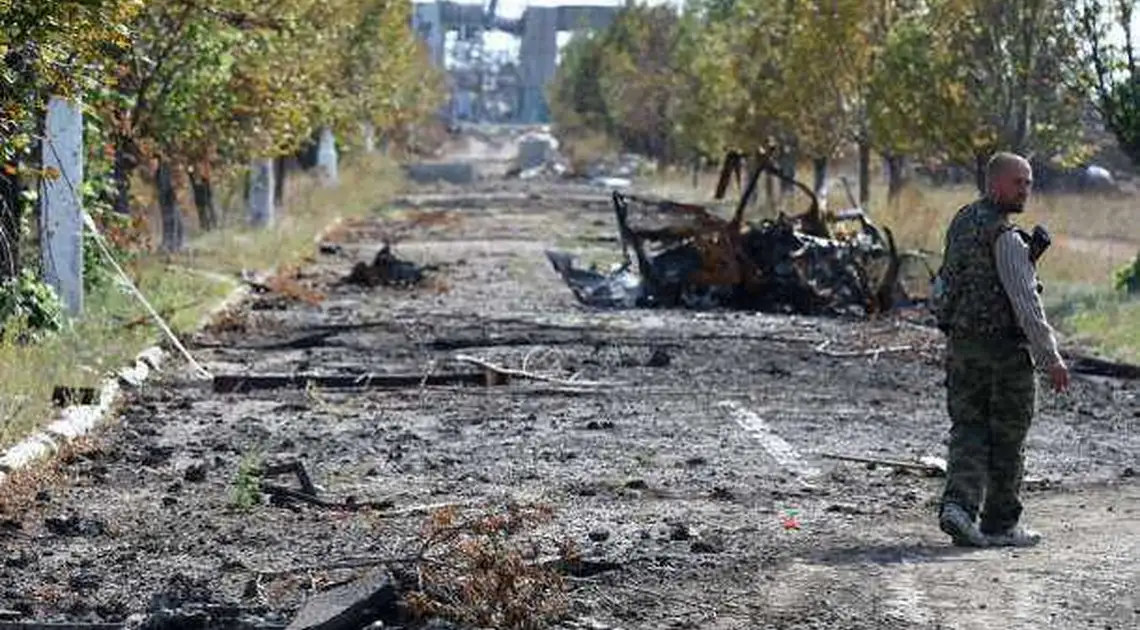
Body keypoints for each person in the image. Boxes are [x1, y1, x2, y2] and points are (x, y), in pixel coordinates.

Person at [931, 151, 1071, 548]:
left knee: (969, 428)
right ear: (995, 184)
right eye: (1018, 182)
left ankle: (958, 508)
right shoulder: (1007, 239)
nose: (1025, 189)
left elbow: (948, 282)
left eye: (1028, 182)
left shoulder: (962, 222)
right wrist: (1052, 359)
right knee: (1008, 437)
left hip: (962, 346)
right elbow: (1027, 305)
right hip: (1004, 355)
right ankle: (999, 523)